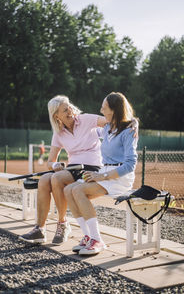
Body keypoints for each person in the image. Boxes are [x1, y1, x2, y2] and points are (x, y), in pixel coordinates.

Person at [19, 95, 137, 245]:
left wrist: (134, 122)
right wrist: (55, 166)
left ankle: (62, 224)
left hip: (92, 166)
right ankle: (39, 229)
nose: (69, 111)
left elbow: (114, 120)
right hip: (72, 168)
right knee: (44, 180)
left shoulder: (86, 119)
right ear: (56, 116)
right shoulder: (58, 133)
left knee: (57, 179)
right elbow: (50, 162)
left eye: (69, 107)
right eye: (64, 110)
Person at [64, 92, 138, 256]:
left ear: (114, 110)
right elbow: (88, 132)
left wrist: (103, 176)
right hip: (104, 173)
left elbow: (130, 164)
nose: (101, 110)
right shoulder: (106, 128)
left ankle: (97, 240)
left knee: (78, 190)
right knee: (68, 190)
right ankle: (88, 236)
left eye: (104, 108)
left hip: (120, 177)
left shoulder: (128, 132)